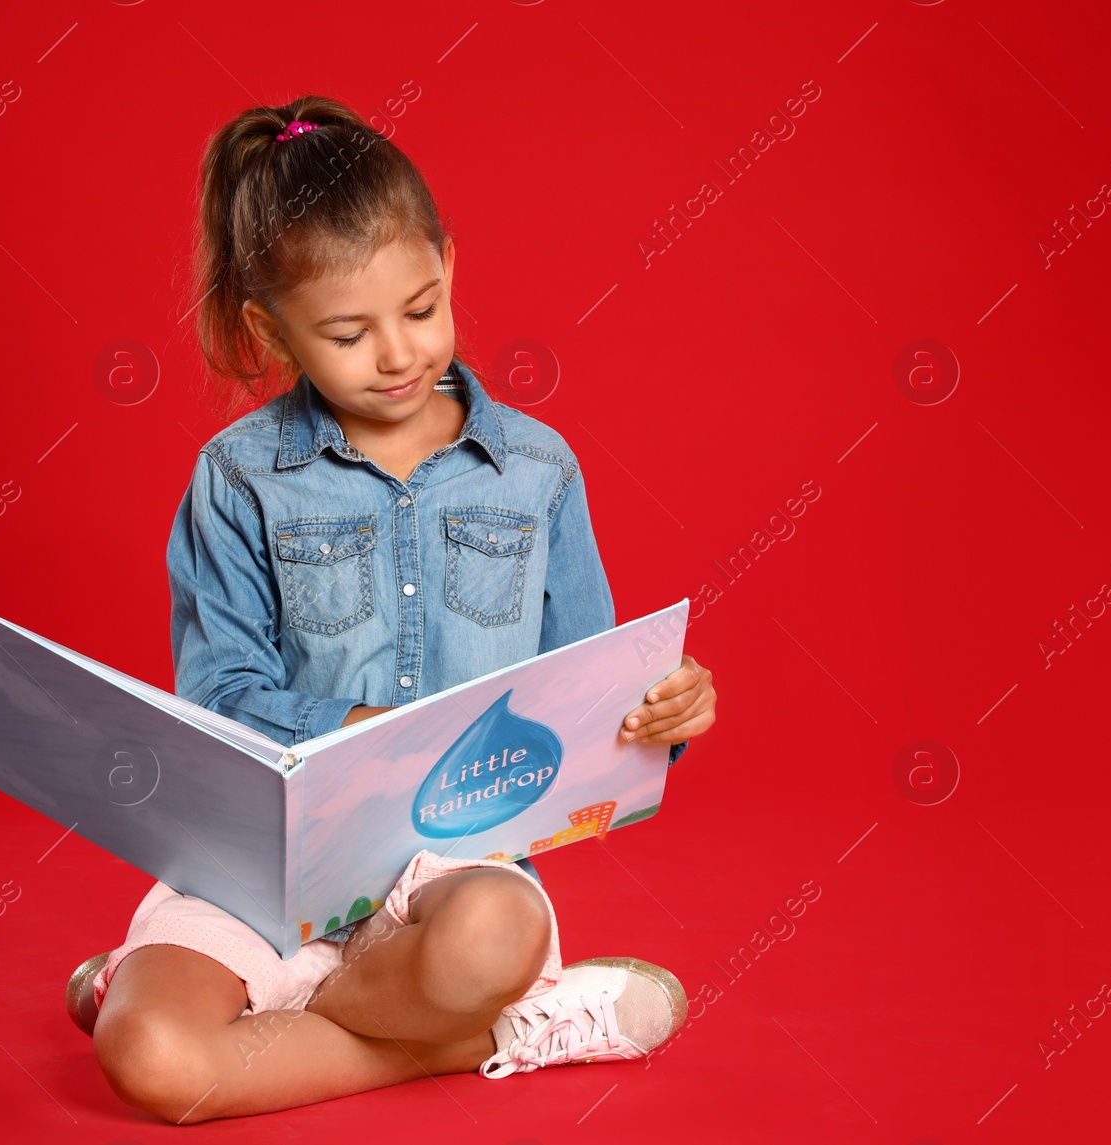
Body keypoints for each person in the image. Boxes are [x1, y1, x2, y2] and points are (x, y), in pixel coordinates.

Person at [65, 96, 718, 1124]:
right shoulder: (237, 478)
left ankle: (259, 1018)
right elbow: (219, 692)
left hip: (455, 866)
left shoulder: (536, 470)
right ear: (265, 327)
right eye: (345, 332)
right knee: (145, 1054)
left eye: (419, 308)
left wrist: (662, 713)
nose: (397, 354)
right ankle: (478, 1037)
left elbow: (587, 695)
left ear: (448, 267)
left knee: (491, 937)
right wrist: (355, 734)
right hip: (267, 858)